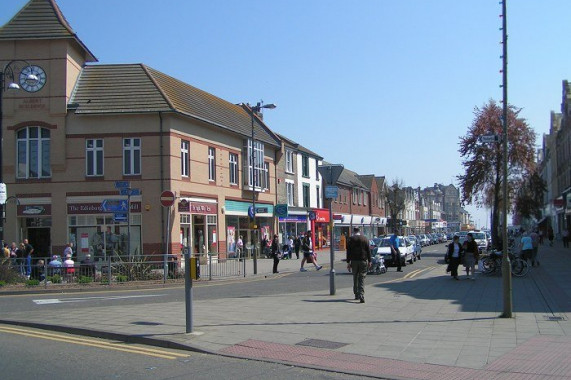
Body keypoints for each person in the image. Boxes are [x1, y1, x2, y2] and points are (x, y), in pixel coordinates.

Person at [346, 227, 372, 303]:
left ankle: (356, 294)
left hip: (354, 261)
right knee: (362, 278)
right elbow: (368, 250)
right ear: (359, 231)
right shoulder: (365, 239)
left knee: (355, 277)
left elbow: (348, 251)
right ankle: (361, 294)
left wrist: (348, 262)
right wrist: (370, 261)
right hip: (363, 260)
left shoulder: (350, 239)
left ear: (353, 231)